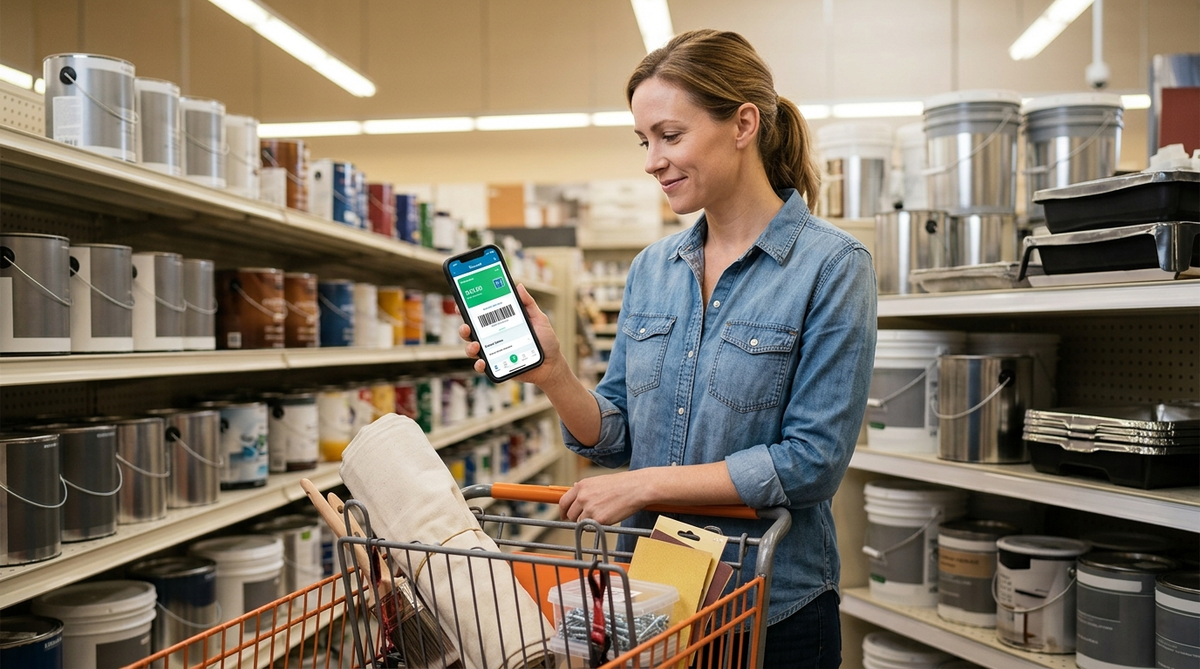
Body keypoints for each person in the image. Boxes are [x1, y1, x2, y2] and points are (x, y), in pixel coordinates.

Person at [461, 29, 876, 668]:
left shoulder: (832, 266)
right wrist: (554, 374)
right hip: (654, 603)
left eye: (670, 135)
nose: (653, 160)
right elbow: (615, 436)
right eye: (644, 140)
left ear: (743, 125)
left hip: (768, 609)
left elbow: (812, 462)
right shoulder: (653, 268)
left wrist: (644, 486)